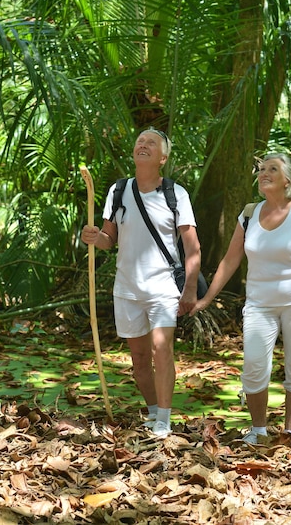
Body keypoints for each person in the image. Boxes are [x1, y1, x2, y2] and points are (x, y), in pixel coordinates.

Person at [191, 153, 291, 444]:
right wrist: (205, 299)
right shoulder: (249, 213)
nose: (264, 173)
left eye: (272, 169)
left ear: (288, 180)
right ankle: (258, 431)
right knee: (254, 367)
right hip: (259, 303)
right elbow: (230, 261)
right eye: (261, 169)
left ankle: (290, 431)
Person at [81, 128, 201, 438]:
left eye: (151, 143)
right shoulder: (118, 191)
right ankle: (152, 411)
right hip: (128, 287)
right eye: (139, 141)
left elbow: (192, 247)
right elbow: (110, 239)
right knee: (138, 359)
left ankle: (164, 418)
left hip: (163, 287)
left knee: (162, 349)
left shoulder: (176, 194)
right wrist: (96, 238)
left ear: (162, 158)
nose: (142, 145)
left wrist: (188, 289)